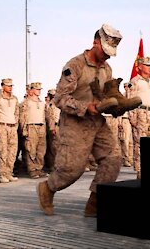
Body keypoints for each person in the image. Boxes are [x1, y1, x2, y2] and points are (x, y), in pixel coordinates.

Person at [36, 23, 123, 217]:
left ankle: (95, 203)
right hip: (75, 123)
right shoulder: (75, 65)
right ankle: (47, 188)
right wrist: (86, 107)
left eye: (111, 52)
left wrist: (116, 106)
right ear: (95, 42)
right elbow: (59, 98)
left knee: (113, 159)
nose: (108, 55)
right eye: (105, 50)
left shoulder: (106, 69)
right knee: (71, 170)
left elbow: (106, 95)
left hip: (97, 122)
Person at [128, 56, 150, 179]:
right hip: (140, 114)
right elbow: (129, 100)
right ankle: (140, 171)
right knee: (140, 143)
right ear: (140, 67)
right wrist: (132, 118)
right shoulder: (134, 81)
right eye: (147, 65)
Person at [0, 78, 20, 183]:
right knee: (2, 151)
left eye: (11, 86)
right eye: (8, 85)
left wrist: (15, 125)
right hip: (2, 126)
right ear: (2, 86)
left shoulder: (15, 99)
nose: (10, 88)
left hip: (12, 127)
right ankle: (2, 174)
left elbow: (17, 113)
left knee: (12, 151)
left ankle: (9, 172)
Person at [20, 82, 49, 179]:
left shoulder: (41, 103)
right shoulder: (26, 102)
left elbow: (45, 116)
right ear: (31, 90)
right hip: (31, 126)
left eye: (40, 89)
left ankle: (39, 168)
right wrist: (24, 129)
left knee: (41, 150)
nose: (39, 91)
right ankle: (32, 170)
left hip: (41, 126)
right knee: (31, 149)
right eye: (37, 89)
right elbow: (23, 117)